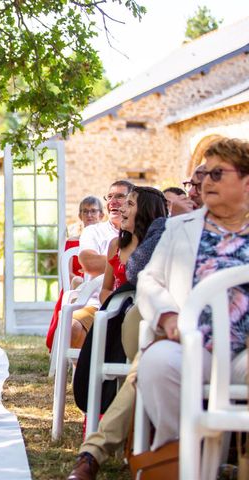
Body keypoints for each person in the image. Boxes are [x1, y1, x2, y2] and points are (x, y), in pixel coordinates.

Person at [67, 168, 204, 480]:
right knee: (149, 352)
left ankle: (95, 452)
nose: (195, 191)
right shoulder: (172, 228)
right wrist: (172, 224)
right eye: (192, 184)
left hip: (210, 329)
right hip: (160, 321)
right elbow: (139, 274)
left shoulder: (202, 229)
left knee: (144, 363)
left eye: (208, 180)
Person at [137, 137, 249, 450]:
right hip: (193, 343)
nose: (204, 182)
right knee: (158, 362)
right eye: (203, 175)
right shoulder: (179, 227)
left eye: (217, 174)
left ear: (246, 181)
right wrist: (169, 316)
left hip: (245, 353)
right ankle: (184, 452)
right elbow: (148, 279)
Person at [71, 180, 134, 348]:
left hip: (135, 304)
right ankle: (86, 372)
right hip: (97, 304)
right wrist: (130, 261)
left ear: (133, 201)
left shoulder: (141, 231)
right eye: (110, 197)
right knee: (73, 327)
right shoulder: (94, 231)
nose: (112, 202)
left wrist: (108, 263)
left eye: (120, 196)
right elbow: (89, 263)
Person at [46, 196, 104, 352]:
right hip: (78, 287)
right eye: (85, 212)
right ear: (80, 215)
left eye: (93, 211)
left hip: (99, 287)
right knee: (78, 281)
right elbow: (68, 272)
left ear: (101, 215)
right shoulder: (72, 242)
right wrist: (81, 281)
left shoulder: (105, 240)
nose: (89, 215)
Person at [98, 187, 168, 304]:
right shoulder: (115, 245)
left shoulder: (160, 247)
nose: (121, 209)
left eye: (129, 204)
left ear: (146, 211)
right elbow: (106, 289)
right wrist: (114, 309)